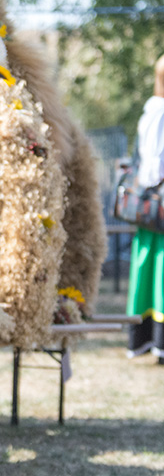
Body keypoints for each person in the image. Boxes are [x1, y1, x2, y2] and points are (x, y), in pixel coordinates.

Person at [127, 53, 164, 364]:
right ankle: (158, 342)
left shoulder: (149, 112)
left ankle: (145, 338)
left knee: (146, 266)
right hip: (160, 201)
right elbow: (156, 166)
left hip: (147, 203)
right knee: (160, 269)